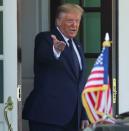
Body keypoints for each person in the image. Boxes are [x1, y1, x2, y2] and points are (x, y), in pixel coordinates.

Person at [22, 3, 89, 131]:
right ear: (58, 21)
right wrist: (55, 50)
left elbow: (79, 84)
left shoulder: (77, 45)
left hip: (74, 119)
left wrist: (83, 115)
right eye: (70, 21)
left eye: (77, 21)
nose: (75, 25)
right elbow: (43, 56)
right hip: (48, 117)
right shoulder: (45, 38)